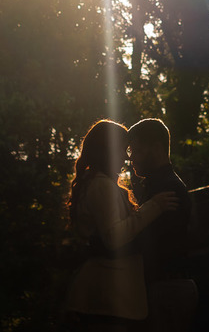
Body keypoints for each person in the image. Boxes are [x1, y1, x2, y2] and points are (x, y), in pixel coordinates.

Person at [66, 119, 178, 331]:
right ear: (107, 150)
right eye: (122, 149)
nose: (127, 157)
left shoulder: (98, 183)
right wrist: (154, 206)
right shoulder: (102, 185)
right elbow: (114, 237)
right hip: (108, 296)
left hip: (109, 295)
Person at [127, 118, 199, 332]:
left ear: (157, 148)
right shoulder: (158, 185)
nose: (131, 158)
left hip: (167, 290)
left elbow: (150, 240)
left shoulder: (167, 189)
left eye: (137, 150)